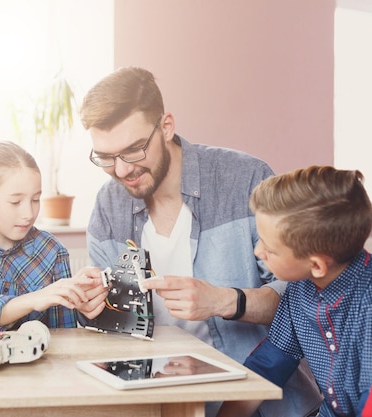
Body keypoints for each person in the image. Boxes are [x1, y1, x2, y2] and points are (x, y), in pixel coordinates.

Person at [79, 66, 322, 416]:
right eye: (105, 157)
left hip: (263, 406)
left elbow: (302, 299)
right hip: (163, 404)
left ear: (166, 127)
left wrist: (224, 301)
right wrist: (94, 309)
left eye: (133, 150)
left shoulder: (245, 180)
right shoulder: (108, 206)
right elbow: (116, 329)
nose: (121, 171)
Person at [217, 165, 372, 417]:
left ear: (317, 265)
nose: (258, 252)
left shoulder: (367, 304)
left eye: (270, 248)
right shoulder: (299, 290)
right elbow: (268, 364)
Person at [0, 141, 107, 330]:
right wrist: (33, 300)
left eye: (35, 199)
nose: (29, 213)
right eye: (15, 201)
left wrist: (82, 297)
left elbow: (65, 335)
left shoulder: (52, 251)